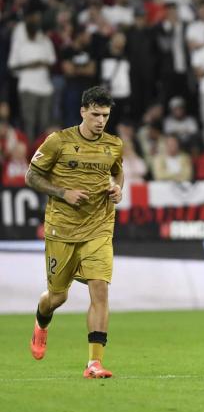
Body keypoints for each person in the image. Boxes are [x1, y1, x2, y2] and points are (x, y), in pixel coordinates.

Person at [25, 86, 123, 378]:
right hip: (62, 229)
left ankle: (94, 363)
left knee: (100, 289)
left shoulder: (114, 144)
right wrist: (62, 192)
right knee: (57, 297)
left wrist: (118, 188)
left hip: (99, 227)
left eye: (105, 115)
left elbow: (118, 170)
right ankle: (42, 322)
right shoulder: (58, 141)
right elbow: (31, 175)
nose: (100, 121)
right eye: (95, 114)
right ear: (82, 111)